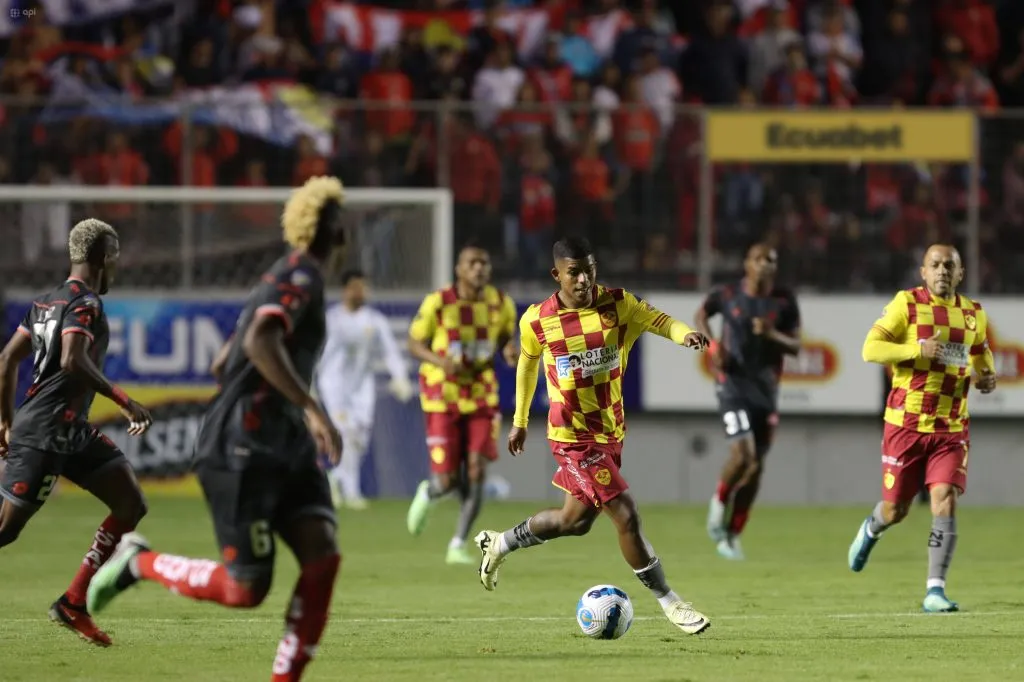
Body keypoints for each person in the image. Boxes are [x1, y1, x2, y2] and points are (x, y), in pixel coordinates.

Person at [86, 177, 347, 681]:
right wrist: (311, 407)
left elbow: (223, 360)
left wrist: (280, 406)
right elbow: (258, 341)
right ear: (333, 232)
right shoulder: (302, 275)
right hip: (244, 444)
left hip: (280, 440)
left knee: (322, 555)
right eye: (341, 225)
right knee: (246, 589)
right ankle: (138, 563)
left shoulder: (280, 278)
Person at [474, 236, 713, 635]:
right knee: (625, 514)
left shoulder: (619, 304)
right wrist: (519, 420)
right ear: (557, 275)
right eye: (574, 272)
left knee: (574, 521)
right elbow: (527, 367)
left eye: (589, 270)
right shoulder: (537, 320)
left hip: (610, 434)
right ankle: (671, 602)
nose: (583, 279)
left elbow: (661, 321)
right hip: (571, 437)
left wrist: (685, 334)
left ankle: (502, 543)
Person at [0, 218, 152, 647]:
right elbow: (72, 359)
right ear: (103, 257)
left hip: (71, 430)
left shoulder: (45, 302)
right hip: (45, 432)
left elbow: (7, 359)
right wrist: (124, 400)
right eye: (115, 257)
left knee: (129, 502)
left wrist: (6, 421)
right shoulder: (86, 303)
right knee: (5, 530)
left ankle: (73, 602)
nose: (117, 266)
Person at [847, 244, 996, 613]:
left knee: (945, 498)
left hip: (951, 427)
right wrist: (916, 350)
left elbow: (981, 354)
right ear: (923, 272)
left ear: (960, 273)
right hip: (906, 425)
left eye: (949, 265)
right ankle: (872, 528)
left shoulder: (973, 313)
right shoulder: (907, 304)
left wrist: (987, 377)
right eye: (935, 265)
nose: (942, 270)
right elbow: (870, 349)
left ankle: (935, 590)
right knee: (896, 510)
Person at [405, 243, 518, 565]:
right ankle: (429, 492)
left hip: (481, 394)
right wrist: (440, 362)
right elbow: (414, 343)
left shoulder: (501, 303)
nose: (479, 268)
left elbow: (504, 339)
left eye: (484, 262)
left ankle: (457, 544)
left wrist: (508, 351)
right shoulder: (439, 302)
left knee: (477, 469)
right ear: (459, 269)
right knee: (448, 481)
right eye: (472, 263)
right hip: (442, 395)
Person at [696, 243, 801, 560]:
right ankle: (718, 502)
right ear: (747, 263)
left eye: (771, 259)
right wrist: (713, 347)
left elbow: (795, 346)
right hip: (732, 387)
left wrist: (771, 334)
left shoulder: (784, 300)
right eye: (758, 258)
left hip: (766, 392)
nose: (765, 264)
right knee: (743, 455)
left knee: (756, 468)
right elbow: (701, 314)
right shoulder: (728, 294)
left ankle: (733, 533)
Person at [317, 269, 413, 510]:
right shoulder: (332, 319)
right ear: (346, 290)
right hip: (334, 385)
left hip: (362, 387)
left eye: (364, 287)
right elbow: (317, 353)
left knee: (359, 438)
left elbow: (390, 351)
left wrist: (400, 377)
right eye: (356, 287)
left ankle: (335, 480)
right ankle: (351, 491)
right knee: (346, 433)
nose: (361, 292)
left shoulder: (374, 320)